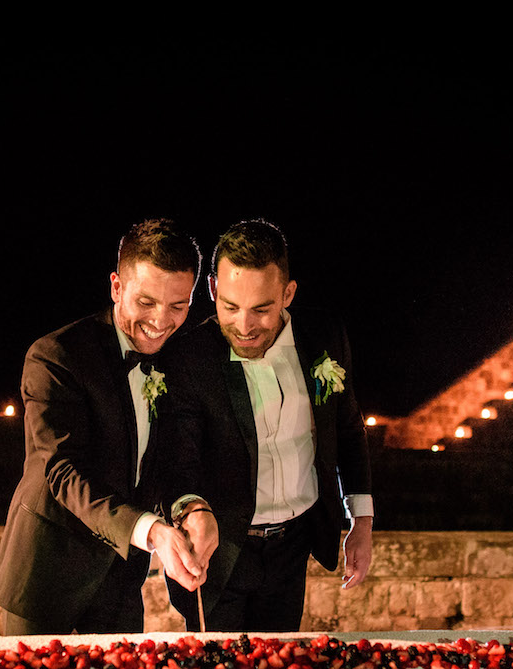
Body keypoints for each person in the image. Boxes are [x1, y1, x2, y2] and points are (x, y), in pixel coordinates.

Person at [0, 219, 207, 635]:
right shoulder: (56, 355)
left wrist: (191, 506)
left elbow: (173, 459)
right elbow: (63, 472)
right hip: (46, 572)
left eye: (178, 305)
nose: (161, 321)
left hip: (120, 583)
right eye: (146, 302)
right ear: (116, 287)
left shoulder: (179, 360)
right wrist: (152, 532)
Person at [159, 219, 373, 631]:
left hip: (294, 546)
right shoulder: (189, 358)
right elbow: (176, 459)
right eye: (230, 307)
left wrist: (360, 523)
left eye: (262, 309)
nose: (244, 325)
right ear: (213, 290)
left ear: (287, 293)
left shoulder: (324, 336)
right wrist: (191, 510)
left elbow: (347, 429)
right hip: (221, 552)